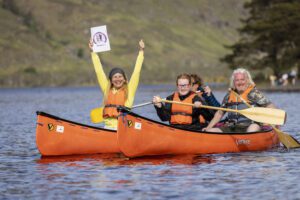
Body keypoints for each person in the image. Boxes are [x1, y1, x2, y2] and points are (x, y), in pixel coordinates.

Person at [89, 39, 145, 130]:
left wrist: (141, 51)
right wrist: (93, 51)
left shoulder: (129, 90)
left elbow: (136, 72)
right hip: (108, 127)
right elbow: (99, 71)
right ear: (111, 80)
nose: (118, 79)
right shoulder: (106, 89)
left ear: (124, 79)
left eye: (120, 77)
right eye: (115, 77)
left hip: (123, 128)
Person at [203, 68, 276, 133]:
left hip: (250, 125)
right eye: (237, 80)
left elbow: (270, 106)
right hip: (232, 127)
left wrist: (273, 123)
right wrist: (208, 127)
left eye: (242, 79)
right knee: (210, 131)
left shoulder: (254, 94)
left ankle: (249, 141)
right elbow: (219, 113)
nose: (240, 82)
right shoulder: (229, 95)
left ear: (247, 80)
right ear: (234, 82)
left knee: (253, 128)